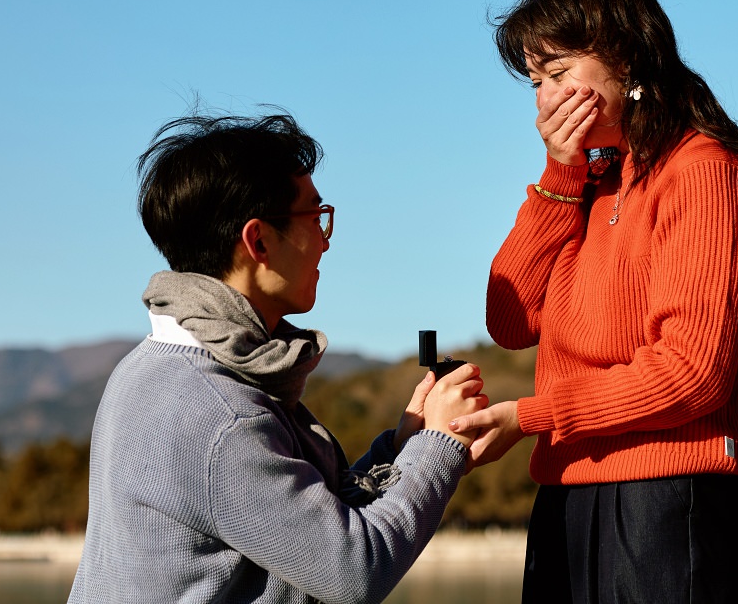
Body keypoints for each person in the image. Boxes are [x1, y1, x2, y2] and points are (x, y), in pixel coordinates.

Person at [450, 0, 738, 603]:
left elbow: (692, 372)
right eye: (534, 82)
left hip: (667, 502)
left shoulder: (702, 173)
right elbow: (511, 319)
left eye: (558, 74)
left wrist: (532, 416)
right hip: (567, 491)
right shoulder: (589, 180)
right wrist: (558, 175)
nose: (545, 99)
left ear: (626, 59)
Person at [69, 111, 487, 604]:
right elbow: (353, 569)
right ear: (259, 240)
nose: (326, 240)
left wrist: (401, 448)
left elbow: (299, 522)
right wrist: (439, 445)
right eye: (315, 217)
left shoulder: (154, 368)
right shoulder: (220, 415)